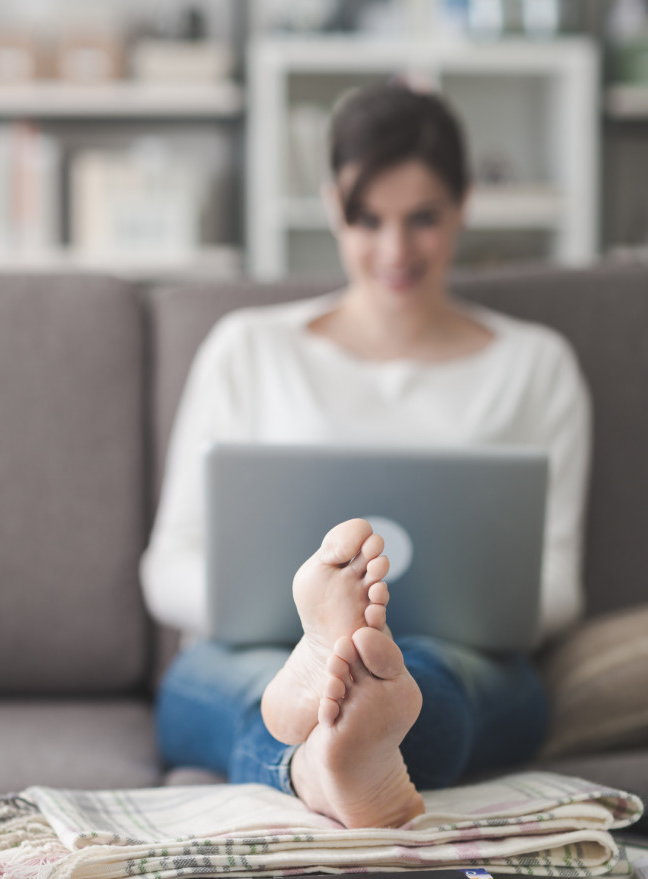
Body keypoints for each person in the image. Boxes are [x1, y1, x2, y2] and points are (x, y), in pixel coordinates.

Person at [140, 82, 591, 829]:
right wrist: (306, 614)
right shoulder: (250, 350)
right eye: (367, 219)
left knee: (421, 686)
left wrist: (366, 639)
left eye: (422, 219)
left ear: (464, 205)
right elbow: (167, 568)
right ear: (331, 206)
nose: (394, 250)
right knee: (266, 692)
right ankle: (332, 747)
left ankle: (317, 759)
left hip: (446, 654)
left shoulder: (535, 365)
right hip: (258, 651)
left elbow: (558, 585)